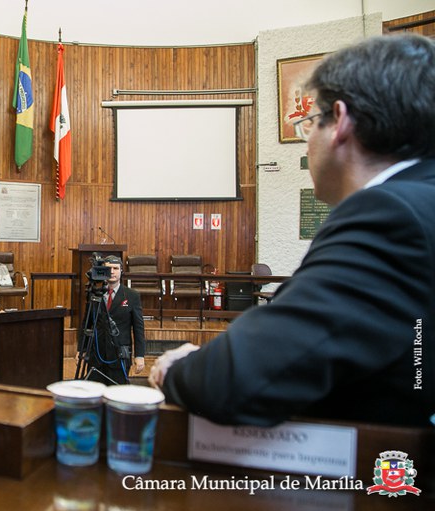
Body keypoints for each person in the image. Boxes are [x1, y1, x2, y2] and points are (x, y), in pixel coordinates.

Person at [150, 34, 435, 428]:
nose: (307, 144)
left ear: (341, 121)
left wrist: (177, 368)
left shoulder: (388, 216)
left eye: (310, 125)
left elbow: (240, 380)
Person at [77, 255, 145, 385]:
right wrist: (81, 349)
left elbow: (138, 328)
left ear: (121, 271)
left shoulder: (132, 295)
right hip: (96, 354)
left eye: (116, 268)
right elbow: (87, 323)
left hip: (119, 355)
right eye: (109, 269)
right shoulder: (94, 293)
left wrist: (139, 355)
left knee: (117, 394)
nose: (112, 272)